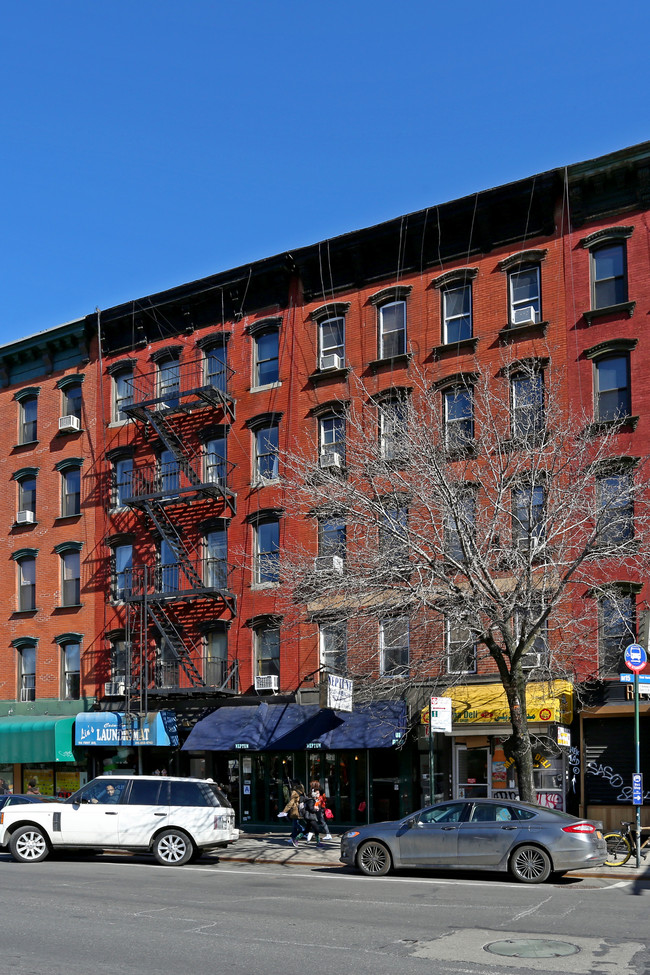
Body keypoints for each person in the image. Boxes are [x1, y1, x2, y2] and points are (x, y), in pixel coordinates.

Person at [278, 779, 307, 847]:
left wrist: (284, 811)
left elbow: (290, 803)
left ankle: (304, 832)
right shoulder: (302, 790)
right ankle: (293, 837)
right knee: (294, 824)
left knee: (295, 824)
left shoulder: (294, 792)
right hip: (301, 809)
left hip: (295, 810)